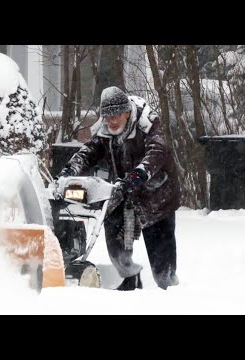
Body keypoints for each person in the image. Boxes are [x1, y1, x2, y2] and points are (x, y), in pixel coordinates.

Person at [55, 86, 181, 290]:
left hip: (156, 197)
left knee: (161, 265)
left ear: (127, 112)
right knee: (115, 242)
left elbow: (157, 152)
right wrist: (69, 170)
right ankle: (130, 278)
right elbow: (89, 152)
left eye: (116, 117)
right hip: (122, 190)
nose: (111, 121)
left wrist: (139, 174)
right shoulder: (106, 130)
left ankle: (170, 291)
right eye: (107, 117)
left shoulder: (148, 124)